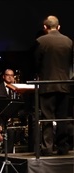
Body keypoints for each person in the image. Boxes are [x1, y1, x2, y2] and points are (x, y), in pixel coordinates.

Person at [33, 15, 73, 156]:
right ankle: (63, 147)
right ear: (59, 26)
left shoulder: (40, 41)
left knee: (47, 118)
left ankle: (47, 148)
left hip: (47, 85)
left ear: (45, 27)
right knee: (63, 118)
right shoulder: (68, 41)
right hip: (64, 85)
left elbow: (35, 64)